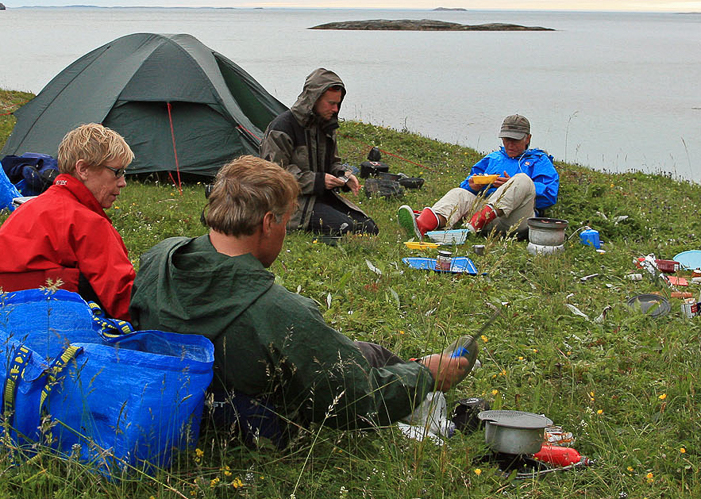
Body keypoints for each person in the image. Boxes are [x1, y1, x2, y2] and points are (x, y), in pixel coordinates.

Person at [130, 155, 468, 443]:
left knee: (366, 352)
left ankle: (420, 390)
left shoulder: (159, 257)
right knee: (366, 359)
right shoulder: (278, 313)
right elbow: (354, 399)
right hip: (254, 422)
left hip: (174, 404)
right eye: (287, 221)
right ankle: (428, 399)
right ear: (267, 222)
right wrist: (425, 375)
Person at [0, 123, 135, 321]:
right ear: (83, 169)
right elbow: (124, 301)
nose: (122, 182)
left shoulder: (25, 210)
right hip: (60, 333)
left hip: (3, 328)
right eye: (116, 172)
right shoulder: (88, 223)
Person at [399, 113, 559, 239]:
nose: (510, 144)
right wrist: (473, 186)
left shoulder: (539, 160)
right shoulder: (493, 158)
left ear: (528, 139)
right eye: (506, 139)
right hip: (485, 216)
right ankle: (423, 225)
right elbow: (468, 184)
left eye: (515, 140)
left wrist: (512, 186)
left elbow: (549, 196)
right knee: (458, 193)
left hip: (515, 219)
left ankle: (473, 225)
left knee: (522, 180)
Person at [260, 68, 377, 235]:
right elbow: (275, 176)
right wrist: (318, 181)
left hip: (320, 197)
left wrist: (345, 176)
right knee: (347, 229)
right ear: (313, 99)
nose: (336, 109)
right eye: (331, 103)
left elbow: (333, 164)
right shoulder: (282, 128)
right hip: (290, 203)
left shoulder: (326, 125)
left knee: (370, 228)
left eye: (338, 104)